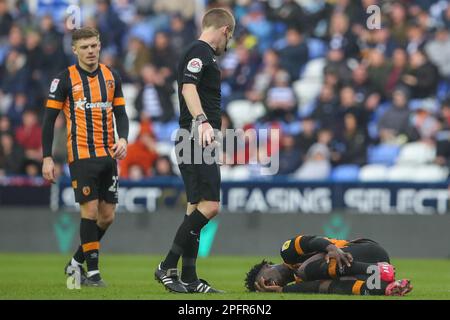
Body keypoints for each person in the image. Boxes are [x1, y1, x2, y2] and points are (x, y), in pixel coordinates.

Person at [154, 8, 235, 294]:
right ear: (225, 30)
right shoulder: (200, 51)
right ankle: (167, 266)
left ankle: (188, 277)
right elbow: (189, 88)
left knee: (194, 209)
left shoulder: (201, 53)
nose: (229, 44)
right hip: (194, 136)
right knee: (211, 206)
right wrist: (202, 122)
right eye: (230, 37)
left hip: (194, 137)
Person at [41, 27, 129, 287]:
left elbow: (121, 114)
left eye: (94, 46)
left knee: (107, 216)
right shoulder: (64, 79)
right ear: (75, 50)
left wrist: (123, 138)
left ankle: (75, 262)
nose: (90, 51)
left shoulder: (111, 76)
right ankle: (92, 273)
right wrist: (47, 157)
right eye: (85, 47)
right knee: (89, 211)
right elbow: (49, 121)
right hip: (81, 155)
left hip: (108, 155)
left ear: (99, 45)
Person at [245, 234, 413, 296]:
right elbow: (320, 288)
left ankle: (377, 271)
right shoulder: (299, 282)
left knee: (304, 270)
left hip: (366, 251)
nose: (269, 284)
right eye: (265, 286)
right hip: (370, 276)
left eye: (264, 279)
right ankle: (387, 288)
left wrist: (331, 249)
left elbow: (310, 240)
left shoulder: (287, 252)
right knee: (328, 287)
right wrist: (283, 290)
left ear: (268, 265)